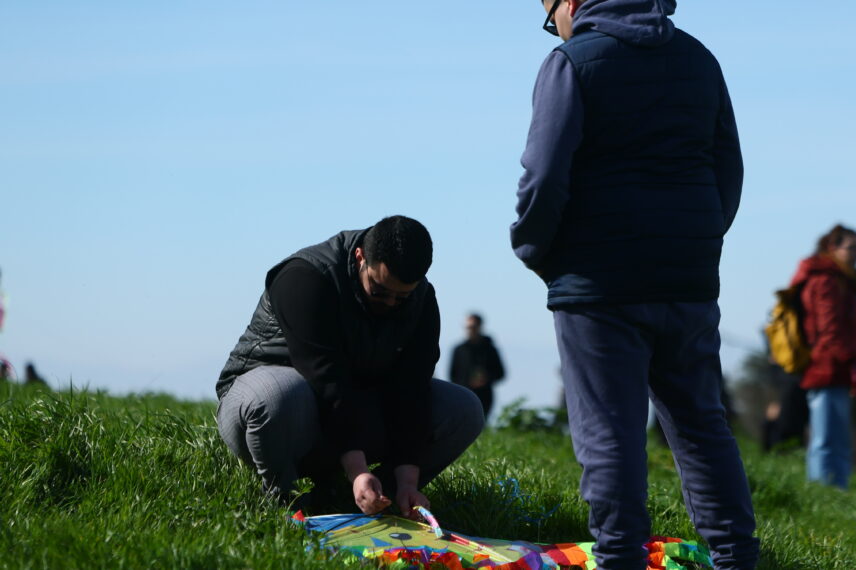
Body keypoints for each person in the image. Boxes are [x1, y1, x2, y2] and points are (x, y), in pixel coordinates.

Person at [510, 1, 758, 567]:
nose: (557, 28)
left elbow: (544, 172)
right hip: (687, 275)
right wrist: (695, 238)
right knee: (701, 424)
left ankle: (619, 557)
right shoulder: (698, 59)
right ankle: (736, 556)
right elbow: (729, 167)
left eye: (553, 16)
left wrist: (534, 246)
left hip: (598, 280)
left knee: (609, 432)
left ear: (571, 3)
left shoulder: (571, 63)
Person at [215, 216, 484, 516]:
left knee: (464, 409)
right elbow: (327, 379)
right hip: (275, 412)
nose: (391, 304)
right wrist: (357, 469)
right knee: (280, 396)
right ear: (360, 258)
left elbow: (413, 387)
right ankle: (286, 503)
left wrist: (408, 479)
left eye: (402, 296)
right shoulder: (305, 278)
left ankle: (376, 499)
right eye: (380, 291)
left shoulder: (421, 300)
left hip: (348, 410)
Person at [786, 224, 856, 489]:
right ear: (833, 248)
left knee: (836, 435)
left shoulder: (838, 280)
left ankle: (833, 489)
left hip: (834, 368)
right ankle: (825, 492)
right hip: (827, 368)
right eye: (853, 247)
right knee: (827, 437)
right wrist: (851, 362)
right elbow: (829, 327)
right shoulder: (826, 281)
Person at [448, 313, 506, 419]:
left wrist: (486, 378)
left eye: (473, 327)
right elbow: (452, 376)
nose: (470, 330)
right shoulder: (459, 350)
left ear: (480, 327)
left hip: (484, 397)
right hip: (463, 396)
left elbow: (501, 373)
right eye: (468, 327)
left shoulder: (490, 349)